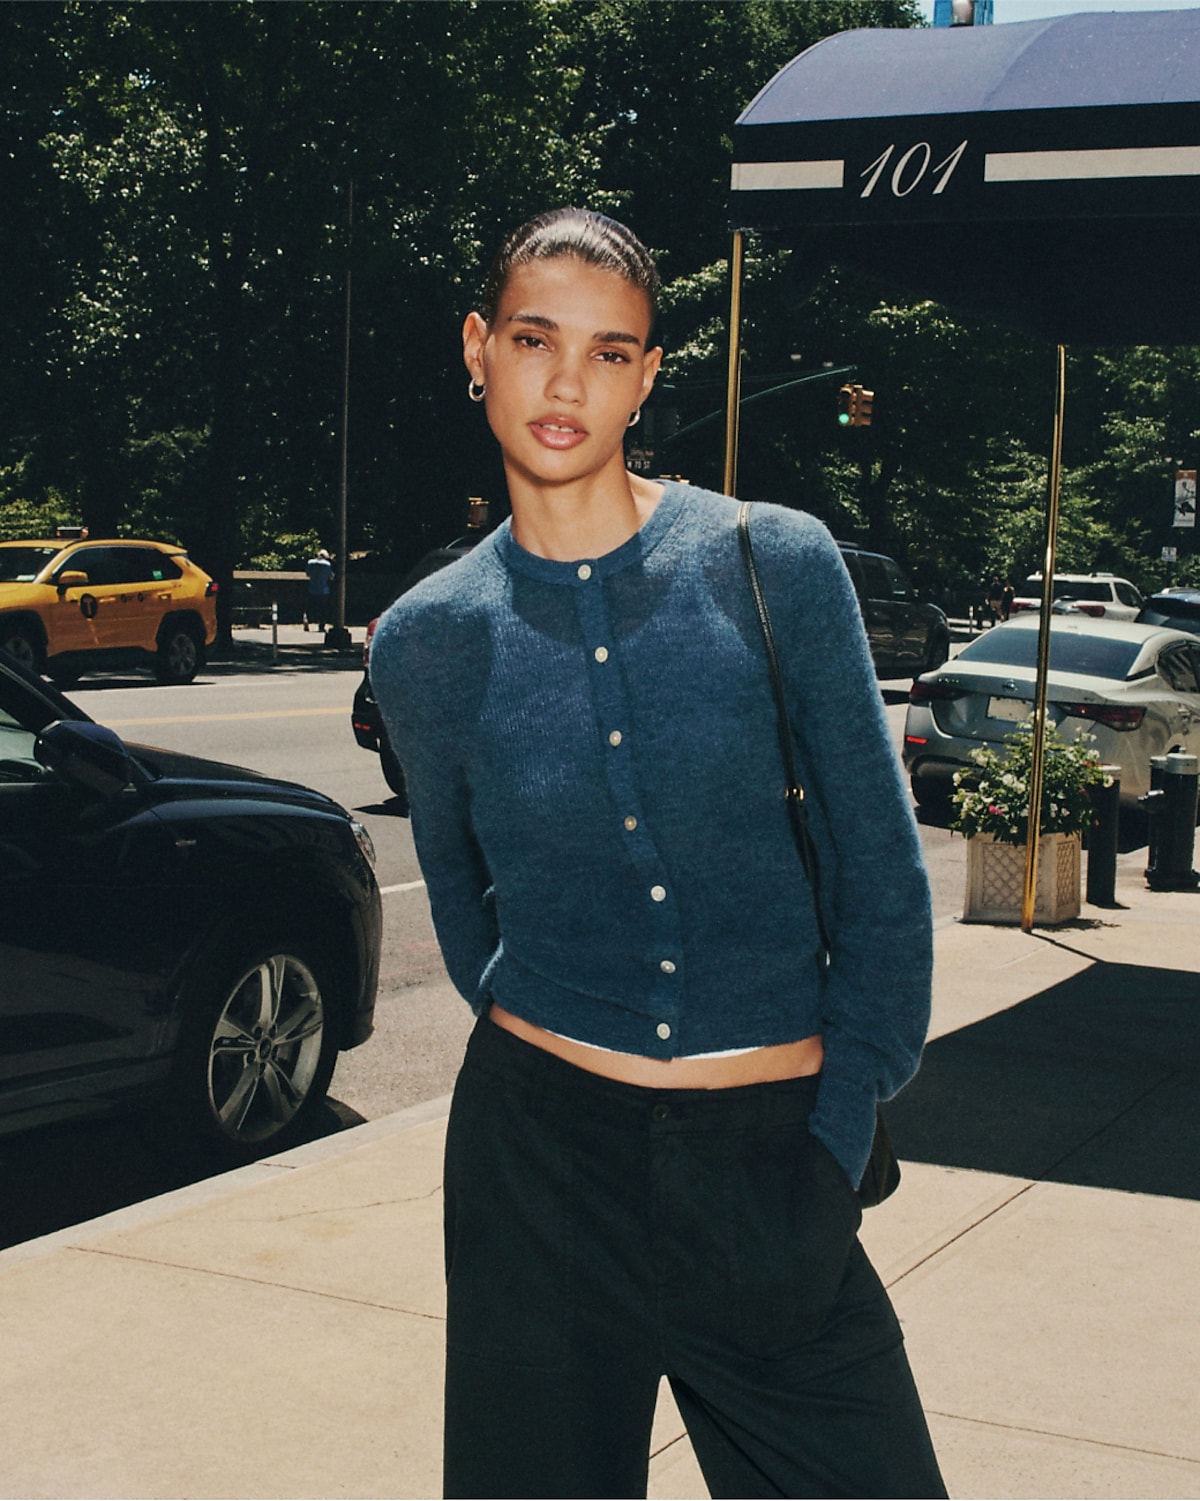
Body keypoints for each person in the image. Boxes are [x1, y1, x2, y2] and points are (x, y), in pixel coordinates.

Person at [370, 208, 946, 1501]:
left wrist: (837, 1123)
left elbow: (881, 876)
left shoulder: (771, 563)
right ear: (480, 348)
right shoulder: (424, 641)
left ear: (645, 375)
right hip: (540, 1177)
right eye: (534, 339)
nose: (568, 382)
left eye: (609, 351)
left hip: (772, 1158)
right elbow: (463, 908)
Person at [305, 547, 333, 631]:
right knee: (323, 609)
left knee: (310, 607)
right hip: (323, 590)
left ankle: (307, 619)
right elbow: (330, 576)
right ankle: (321, 625)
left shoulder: (310, 562)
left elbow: (308, 574)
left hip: (312, 589)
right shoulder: (327, 564)